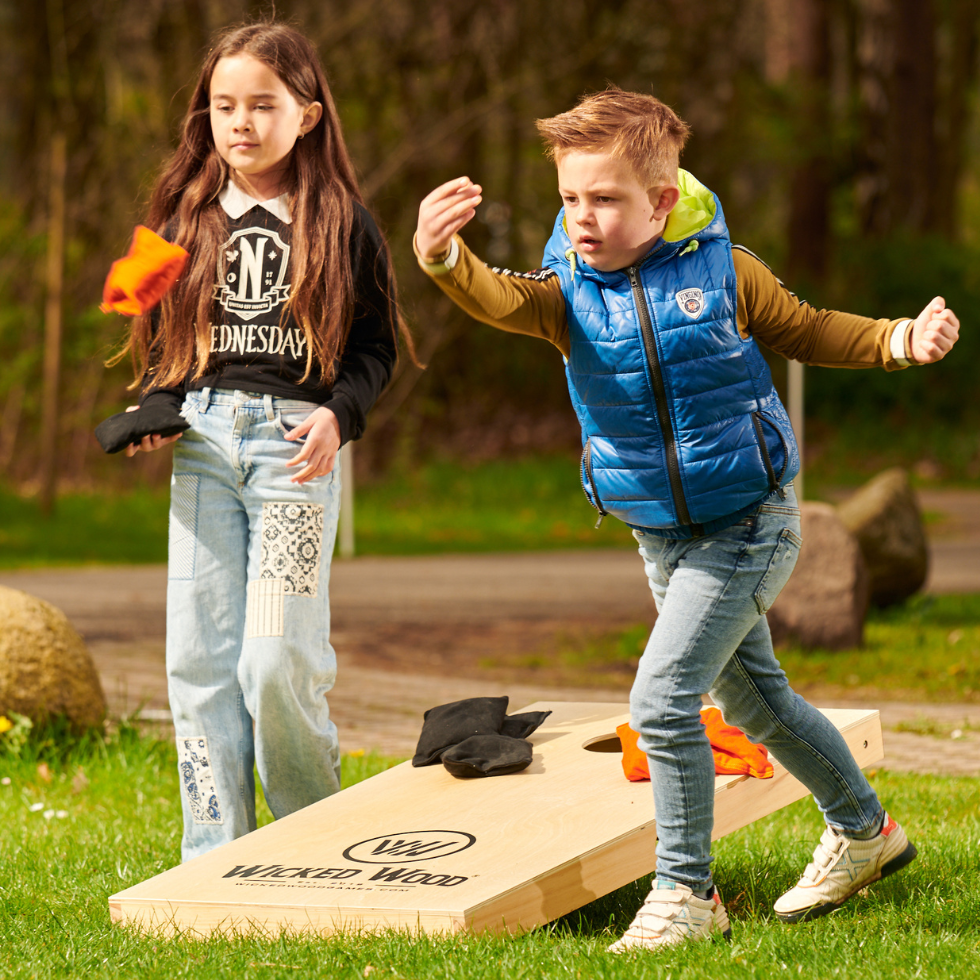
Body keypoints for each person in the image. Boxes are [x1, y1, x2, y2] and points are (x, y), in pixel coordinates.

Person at [413, 88, 959, 950]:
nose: (582, 217)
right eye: (569, 198)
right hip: (658, 536)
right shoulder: (568, 289)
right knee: (759, 705)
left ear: (662, 200)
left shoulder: (724, 270)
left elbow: (808, 328)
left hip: (749, 523)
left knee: (662, 702)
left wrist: (898, 339)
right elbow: (499, 300)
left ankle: (686, 894)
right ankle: (867, 832)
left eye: (605, 199)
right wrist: (444, 257)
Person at [111, 22, 404, 861]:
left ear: (307, 116)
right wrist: (156, 409)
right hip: (204, 452)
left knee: (274, 661)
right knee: (199, 664)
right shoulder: (181, 218)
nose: (240, 122)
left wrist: (339, 415)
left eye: (263, 105)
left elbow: (375, 349)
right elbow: (161, 343)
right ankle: (216, 855)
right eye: (223, 105)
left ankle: (316, 843)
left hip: (292, 455)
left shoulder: (344, 223)